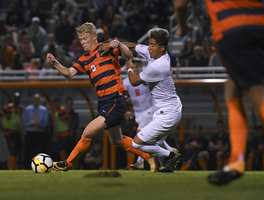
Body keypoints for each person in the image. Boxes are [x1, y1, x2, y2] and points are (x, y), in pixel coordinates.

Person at [175, 0, 264, 185]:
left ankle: (238, 161)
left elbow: (180, 4)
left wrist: (183, 27)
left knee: (259, 94)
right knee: (232, 89)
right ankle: (236, 160)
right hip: (261, 24)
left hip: (231, 27)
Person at [46, 22, 153, 171]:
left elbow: (128, 55)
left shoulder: (106, 47)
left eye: (85, 38)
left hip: (115, 98)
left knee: (88, 132)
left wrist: (119, 45)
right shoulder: (84, 59)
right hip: (103, 101)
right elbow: (69, 73)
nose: (82, 42)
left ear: (94, 37)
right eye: (80, 40)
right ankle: (149, 156)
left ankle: (68, 163)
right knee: (117, 140)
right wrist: (55, 63)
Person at [100, 28, 182, 172]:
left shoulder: (158, 66)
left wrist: (129, 63)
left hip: (167, 113)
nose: (149, 48)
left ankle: (170, 155)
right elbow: (133, 46)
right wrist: (115, 44)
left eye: (152, 45)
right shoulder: (155, 54)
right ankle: (167, 164)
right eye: (149, 44)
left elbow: (134, 81)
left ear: (162, 48)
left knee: (137, 144)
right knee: (158, 141)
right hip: (168, 108)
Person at [23, 93, 49, 169]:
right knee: (28, 151)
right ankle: (26, 168)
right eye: (35, 100)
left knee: (39, 152)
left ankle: (39, 167)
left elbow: (46, 122)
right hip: (30, 133)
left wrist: (38, 124)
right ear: (33, 100)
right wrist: (30, 124)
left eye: (38, 100)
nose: (37, 101)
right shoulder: (28, 109)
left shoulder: (44, 110)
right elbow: (24, 121)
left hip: (39, 133)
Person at [0, 92, 22, 170]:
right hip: (9, 132)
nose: (17, 100)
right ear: (13, 99)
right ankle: (11, 169)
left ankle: (14, 167)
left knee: (16, 151)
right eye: (16, 98)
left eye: (18, 98)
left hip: (17, 132)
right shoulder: (7, 108)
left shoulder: (20, 109)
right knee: (12, 150)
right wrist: (2, 128)